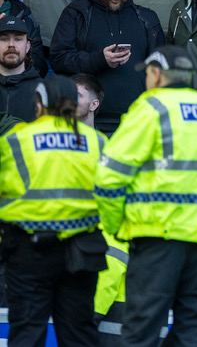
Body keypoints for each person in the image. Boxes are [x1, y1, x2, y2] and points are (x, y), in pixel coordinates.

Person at [94, 44, 197, 347]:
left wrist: (117, 227)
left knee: (142, 328)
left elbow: (110, 177)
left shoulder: (150, 109)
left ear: (156, 75)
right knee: (196, 329)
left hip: (156, 238)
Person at [0, 72, 106, 347]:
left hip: (29, 249)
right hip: (83, 250)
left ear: (38, 105)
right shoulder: (99, 142)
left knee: (26, 331)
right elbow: (113, 196)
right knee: (79, 333)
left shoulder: (16, 140)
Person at [49, 0, 165, 134]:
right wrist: (99, 60)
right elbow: (59, 59)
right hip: (85, 123)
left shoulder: (147, 19)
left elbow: (161, 72)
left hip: (136, 124)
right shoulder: (76, 13)